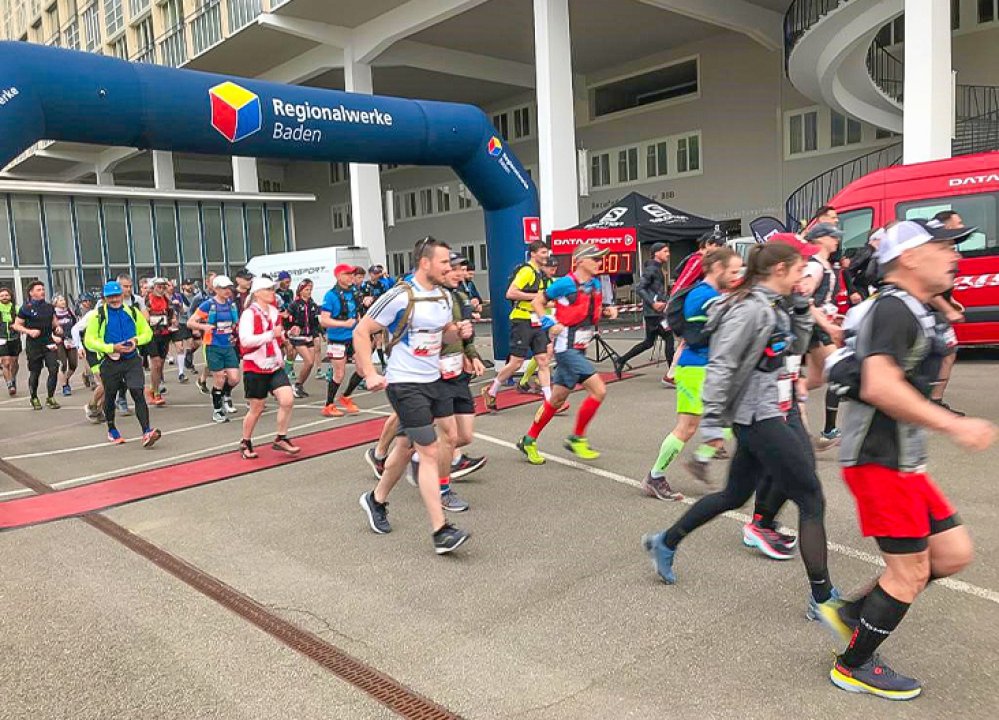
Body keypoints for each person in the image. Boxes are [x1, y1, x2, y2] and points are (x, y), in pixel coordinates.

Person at [830, 218, 996, 700]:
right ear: (909, 257)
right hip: (877, 459)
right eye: (944, 247)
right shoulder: (894, 309)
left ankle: (854, 613)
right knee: (910, 573)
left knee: (953, 553)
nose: (955, 256)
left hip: (903, 460)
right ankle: (852, 666)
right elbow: (879, 385)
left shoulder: (914, 307)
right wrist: (954, 424)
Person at [641, 243, 845, 634]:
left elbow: (796, 348)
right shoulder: (747, 309)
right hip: (758, 416)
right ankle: (822, 599)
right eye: (799, 271)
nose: (804, 277)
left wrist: (802, 309)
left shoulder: (779, 303)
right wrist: (711, 430)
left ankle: (664, 541)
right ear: (780, 269)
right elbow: (720, 367)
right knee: (811, 498)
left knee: (735, 495)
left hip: (779, 409)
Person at [354, 236, 474, 555]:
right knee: (429, 452)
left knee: (409, 446)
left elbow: (442, 333)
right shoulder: (400, 295)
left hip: (435, 380)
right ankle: (440, 530)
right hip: (405, 384)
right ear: (425, 263)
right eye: (444, 262)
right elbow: (361, 331)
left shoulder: (443, 296)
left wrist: (458, 333)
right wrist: (370, 373)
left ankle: (376, 500)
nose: (449, 267)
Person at [641, 247, 743, 499]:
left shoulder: (714, 294)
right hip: (695, 368)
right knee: (687, 428)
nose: (737, 276)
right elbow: (723, 323)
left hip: (710, 368)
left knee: (729, 418)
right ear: (717, 269)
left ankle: (701, 460)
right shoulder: (703, 296)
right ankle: (655, 476)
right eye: (733, 271)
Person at [516, 244, 619, 464]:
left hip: (580, 348)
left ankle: (528, 440)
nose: (599, 263)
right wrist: (548, 323)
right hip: (566, 349)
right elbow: (537, 302)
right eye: (595, 259)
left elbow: (587, 312)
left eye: (600, 259)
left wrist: (606, 311)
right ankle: (577, 438)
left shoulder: (594, 284)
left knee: (556, 399)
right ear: (580, 261)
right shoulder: (565, 283)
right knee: (599, 391)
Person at [83, 281, 160, 447]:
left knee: (137, 392)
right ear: (105, 298)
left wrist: (136, 340)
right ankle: (111, 428)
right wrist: (111, 347)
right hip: (109, 361)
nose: (114, 299)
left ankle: (146, 431)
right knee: (110, 395)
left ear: (122, 295)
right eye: (110, 297)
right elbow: (89, 340)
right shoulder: (98, 315)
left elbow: (147, 332)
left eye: (117, 296)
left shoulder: (132, 311)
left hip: (132, 360)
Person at [483, 240, 553, 411]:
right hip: (522, 320)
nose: (546, 256)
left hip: (537, 321)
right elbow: (511, 293)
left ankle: (550, 402)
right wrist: (536, 297)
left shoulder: (541, 274)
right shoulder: (527, 271)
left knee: (543, 360)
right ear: (533, 254)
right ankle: (492, 391)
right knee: (516, 363)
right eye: (543, 252)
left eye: (547, 252)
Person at [238, 277, 301, 459]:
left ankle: (281, 437)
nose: (272, 293)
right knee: (256, 408)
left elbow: (277, 336)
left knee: (287, 400)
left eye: (272, 289)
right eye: (268, 289)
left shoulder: (273, 311)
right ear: (257, 293)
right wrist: (270, 335)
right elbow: (245, 341)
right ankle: (245, 441)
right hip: (255, 366)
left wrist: (287, 333)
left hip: (274, 364)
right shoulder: (249, 314)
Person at [797, 222, 845, 451]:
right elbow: (805, 299)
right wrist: (827, 324)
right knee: (839, 369)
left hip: (819, 325)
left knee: (817, 379)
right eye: (833, 236)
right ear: (820, 239)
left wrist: (833, 317)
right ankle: (829, 430)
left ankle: (789, 395)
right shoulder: (814, 266)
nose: (837, 240)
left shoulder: (826, 265)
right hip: (814, 328)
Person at [663, 229, 728, 387]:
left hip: (693, 303)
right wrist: (672, 303)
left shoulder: (704, 260)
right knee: (687, 341)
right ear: (708, 244)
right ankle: (671, 374)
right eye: (719, 245)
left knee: (687, 341)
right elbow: (683, 281)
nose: (721, 249)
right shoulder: (698, 260)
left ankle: (672, 373)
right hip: (688, 305)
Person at [926, 210, 969, 415]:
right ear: (946, 225)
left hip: (937, 313)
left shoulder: (947, 248)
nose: (962, 226)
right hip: (930, 313)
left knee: (946, 354)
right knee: (943, 354)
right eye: (958, 222)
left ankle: (933, 400)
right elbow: (929, 289)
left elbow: (943, 287)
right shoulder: (935, 249)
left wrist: (952, 302)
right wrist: (948, 310)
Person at [614, 242, 674, 377]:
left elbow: (655, 289)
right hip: (654, 314)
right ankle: (672, 374)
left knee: (648, 343)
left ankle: (621, 360)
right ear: (656, 253)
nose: (668, 254)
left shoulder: (657, 268)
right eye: (665, 251)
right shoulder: (652, 269)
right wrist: (653, 303)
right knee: (669, 338)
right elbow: (639, 287)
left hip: (654, 313)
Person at [188, 276, 241, 423]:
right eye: (223, 288)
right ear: (216, 289)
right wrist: (203, 326)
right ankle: (217, 410)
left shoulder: (231, 305)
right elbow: (190, 322)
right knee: (219, 378)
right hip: (213, 345)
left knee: (234, 378)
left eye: (229, 288)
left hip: (228, 345)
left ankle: (225, 394)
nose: (227, 291)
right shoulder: (208, 305)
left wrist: (235, 335)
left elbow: (235, 324)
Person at [320, 264, 365, 417]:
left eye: (352, 274)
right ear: (339, 276)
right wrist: (344, 324)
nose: (351, 277)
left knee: (362, 368)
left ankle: (346, 396)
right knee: (339, 373)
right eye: (347, 274)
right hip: (337, 339)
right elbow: (324, 320)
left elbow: (357, 313)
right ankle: (328, 405)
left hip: (354, 337)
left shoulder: (354, 292)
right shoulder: (330, 296)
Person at [12, 281, 61, 410]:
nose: (42, 292)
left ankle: (50, 397)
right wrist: (29, 331)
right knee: (35, 372)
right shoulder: (26, 308)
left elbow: (54, 322)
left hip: (49, 343)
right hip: (34, 345)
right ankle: (34, 397)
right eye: (39, 290)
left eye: (43, 289)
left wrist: (58, 328)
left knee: (54, 369)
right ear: (31, 293)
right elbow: (16, 325)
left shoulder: (49, 307)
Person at [286, 279, 322, 398]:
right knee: (309, 361)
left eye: (310, 289)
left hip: (309, 336)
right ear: (300, 291)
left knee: (310, 364)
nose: (309, 292)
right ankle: (289, 384)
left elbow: (315, 322)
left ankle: (298, 385)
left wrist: (320, 333)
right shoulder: (294, 304)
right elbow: (286, 319)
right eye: (306, 289)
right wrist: (289, 330)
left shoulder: (313, 305)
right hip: (298, 338)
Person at [72, 298, 104, 424]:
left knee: (112, 384)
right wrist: (79, 346)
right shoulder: (93, 314)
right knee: (105, 382)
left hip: (108, 351)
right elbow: (75, 329)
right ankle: (92, 406)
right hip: (93, 352)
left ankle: (99, 409)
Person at [143, 278, 175, 406]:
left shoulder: (167, 299)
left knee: (160, 364)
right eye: (159, 287)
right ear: (153, 287)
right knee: (155, 363)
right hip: (151, 335)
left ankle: (152, 389)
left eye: (163, 287)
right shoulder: (147, 299)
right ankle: (156, 393)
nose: (161, 289)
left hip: (164, 334)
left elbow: (172, 314)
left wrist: (173, 321)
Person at [52, 295, 78, 396]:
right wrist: (53, 337)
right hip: (59, 341)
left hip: (70, 340)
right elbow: (47, 328)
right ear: (55, 303)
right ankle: (65, 386)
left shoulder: (69, 312)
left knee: (73, 364)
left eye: (63, 300)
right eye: (60, 300)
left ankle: (65, 379)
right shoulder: (52, 314)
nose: (63, 302)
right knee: (62, 364)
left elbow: (75, 324)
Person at [0, 286, 23, 396]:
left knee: (14, 363)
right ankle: (9, 384)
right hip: (1, 338)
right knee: (6, 362)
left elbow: (22, 320)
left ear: (10, 296)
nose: (4, 297)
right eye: (2, 296)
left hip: (14, 338)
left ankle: (13, 378)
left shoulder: (16, 308)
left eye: (6, 295)